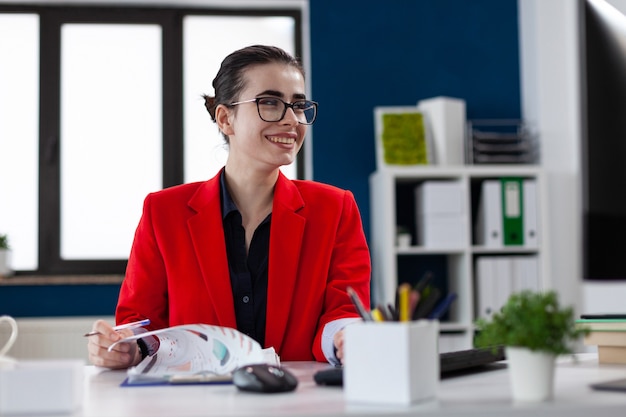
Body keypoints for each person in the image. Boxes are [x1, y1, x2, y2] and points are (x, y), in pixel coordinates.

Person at [87, 45, 371, 370]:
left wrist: (346, 337)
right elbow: (141, 323)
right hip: (198, 402)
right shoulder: (163, 212)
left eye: (298, 105)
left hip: (300, 400)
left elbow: (344, 311)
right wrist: (124, 347)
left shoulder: (335, 209)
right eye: (270, 102)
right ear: (225, 119)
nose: (292, 120)